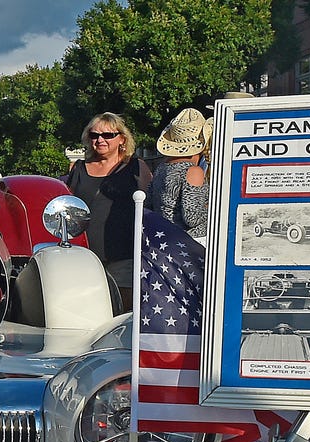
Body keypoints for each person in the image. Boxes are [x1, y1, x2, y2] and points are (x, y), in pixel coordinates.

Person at [64, 112, 151, 310]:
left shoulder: (137, 167)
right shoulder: (77, 168)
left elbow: (150, 208)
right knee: (87, 311)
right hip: (84, 255)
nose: (100, 140)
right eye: (94, 135)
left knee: (123, 312)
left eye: (107, 135)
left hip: (124, 253)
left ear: (122, 139)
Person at [147, 108, 210, 242]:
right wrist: (213, 206)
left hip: (166, 239)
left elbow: (148, 204)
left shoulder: (161, 168)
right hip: (191, 243)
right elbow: (191, 218)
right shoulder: (193, 171)